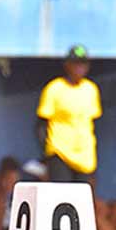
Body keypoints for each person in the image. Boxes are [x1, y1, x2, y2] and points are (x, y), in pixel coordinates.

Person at [36, 44, 102, 185]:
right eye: (76, 63)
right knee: (62, 198)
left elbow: (93, 122)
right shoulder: (54, 88)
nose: (79, 68)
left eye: (83, 64)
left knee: (82, 200)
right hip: (60, 152)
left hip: (85, 156)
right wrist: (47, 155)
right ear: (67, 65)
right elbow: (41, 124)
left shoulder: (91, 89)